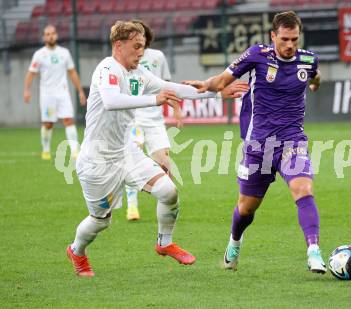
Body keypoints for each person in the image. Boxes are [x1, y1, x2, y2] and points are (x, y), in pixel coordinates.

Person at [66, 21, 247, 277]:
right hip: (97, 160)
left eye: (143, 47)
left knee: (168, 191)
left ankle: (164, 243)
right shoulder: (107, 68)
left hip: (126, 152)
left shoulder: (139, 73)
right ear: (119, 45)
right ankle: (77, 251)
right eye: (137, 46)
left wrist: (216, 94)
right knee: (100, 220)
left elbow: (174, 89)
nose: (141, 52)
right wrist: (155, 99)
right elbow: (110, 100)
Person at [183, 11, 327, 274]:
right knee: (246, 209)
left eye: (294, 39)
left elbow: (315, 75)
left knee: (303, 189)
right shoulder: (257, 55)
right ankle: (234, 242)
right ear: (273, 36)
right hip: (258, 145)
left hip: (292, 141)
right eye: (284, 39)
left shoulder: (308, 60)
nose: (290, 45)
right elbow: (224, 80)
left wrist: (316, 83)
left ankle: (314, 251)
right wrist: (205, 85)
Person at [125, 20, 175, 221]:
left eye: (141, 37)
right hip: (135, 119)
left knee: (165, 163)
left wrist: (177, 111)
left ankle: (165, 203)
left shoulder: (158, 57)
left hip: (155, 120)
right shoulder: (126, 62)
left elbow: (168, 86)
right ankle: (132, 206)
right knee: (132, 161)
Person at [23, 24, 87, 160]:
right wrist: (27, 90)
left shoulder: (64, 53)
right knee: (48, 124)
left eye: (52, 33)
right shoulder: (39, 54)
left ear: (56, 35)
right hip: (47, 95)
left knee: (69, 120)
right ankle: (46, 150)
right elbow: (31, 73)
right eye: (47, 34)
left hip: (63, 93)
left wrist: (80, 91)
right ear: (44, 37)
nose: (50, 36)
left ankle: (75, 151)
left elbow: (72, 73)